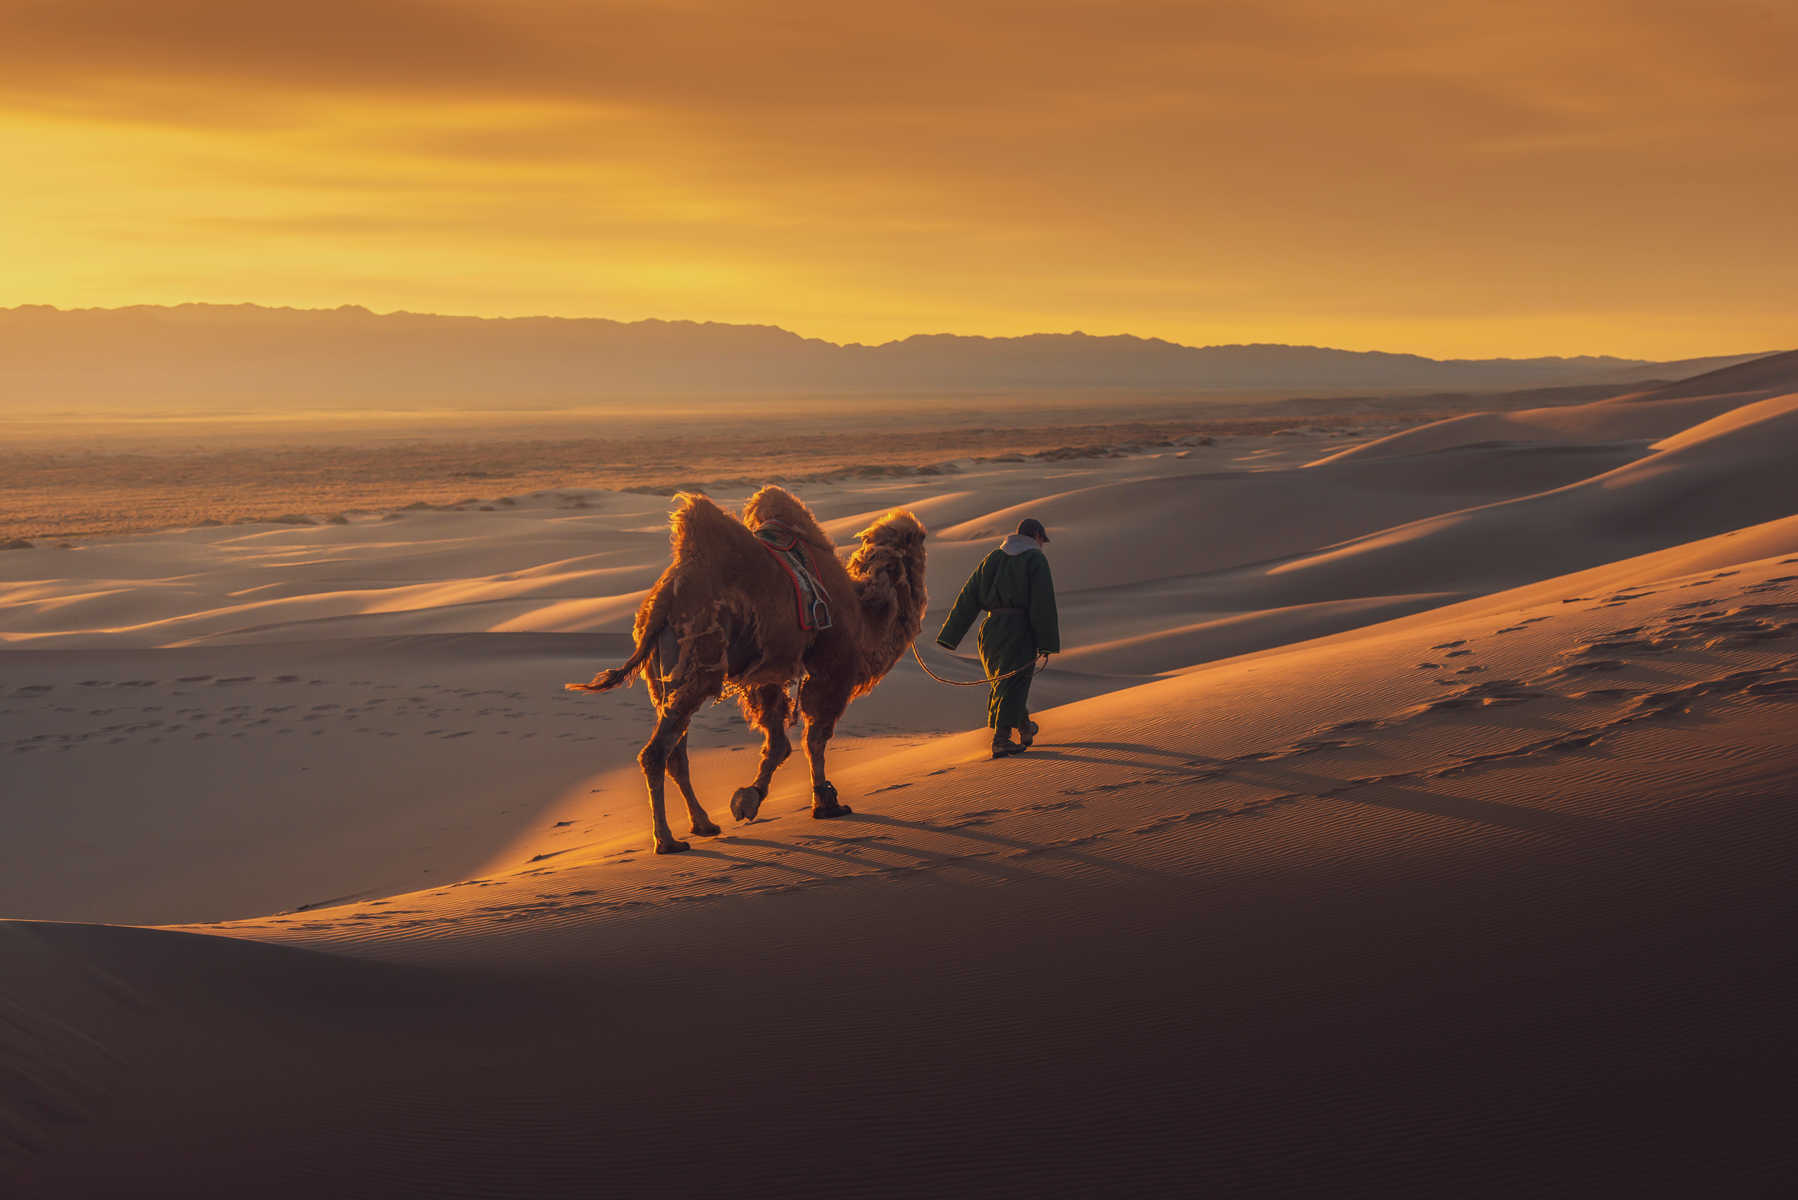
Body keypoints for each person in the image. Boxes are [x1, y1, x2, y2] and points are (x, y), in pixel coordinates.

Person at [935, 517, 1060, 758]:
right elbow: (1042, 603)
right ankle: (1001, 740)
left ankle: (1024, 727)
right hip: (1019, 629)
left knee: (1004, 681)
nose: (1042, 545)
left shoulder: (993, 558)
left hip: (991, 631)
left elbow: (968, 597)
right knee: (1014, 681)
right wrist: (1047, 642)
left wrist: (950, 635)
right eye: (1042, 540)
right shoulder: (1035, 559)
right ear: (1035, 535)